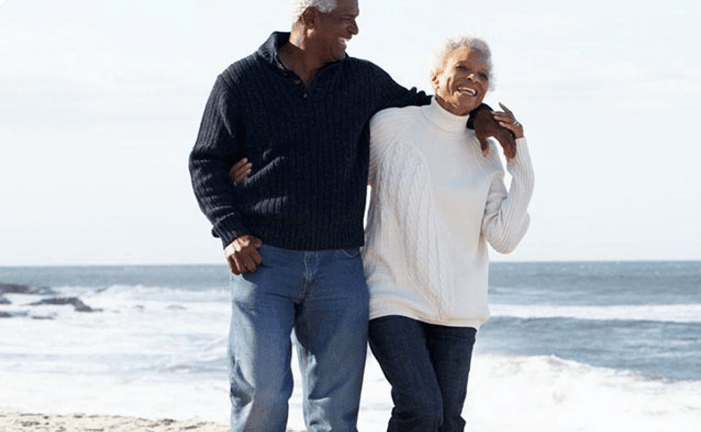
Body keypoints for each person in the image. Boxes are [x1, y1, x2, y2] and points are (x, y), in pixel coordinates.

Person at [188, 0, 518, 431]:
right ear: (310, 18)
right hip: (264, 260)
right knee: (261, 393)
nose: (355, 30)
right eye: (347, 20)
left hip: (340, 267)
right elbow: (206, 162)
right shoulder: (241, 80)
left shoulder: (363, 80)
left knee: (335, 408)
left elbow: (428, 108)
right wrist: (231, 230)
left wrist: (480, 116)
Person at [362, 36, 534, 431]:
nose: (473, 79)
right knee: (421, 409)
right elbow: (343, 177)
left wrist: (521, 164)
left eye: (483, 76)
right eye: (462, 68)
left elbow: (504, 239)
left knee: (448, 422)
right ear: (436, 76)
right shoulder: (390, 126)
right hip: (393, 299)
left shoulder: (485, 151)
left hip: (458, 310)